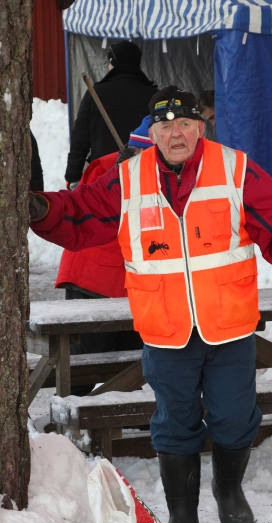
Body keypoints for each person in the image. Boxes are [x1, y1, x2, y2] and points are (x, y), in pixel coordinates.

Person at [29, 86, 272, 523]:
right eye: (165, 126)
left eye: (185, 123)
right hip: (165, 329)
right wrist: (44, 210)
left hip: (228, 326)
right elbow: (83, 210)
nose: (176, 133)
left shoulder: (234, 168)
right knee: (174, 421)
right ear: (153, 133)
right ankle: (182, 513)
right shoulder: (128, 178)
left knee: (233, 416)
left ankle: (228, 489)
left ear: (200, 127)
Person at [56, 116, 153, 395]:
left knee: (129, 368)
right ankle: (67, 427)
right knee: (85, 367)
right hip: (94, 279)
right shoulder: (107, 168)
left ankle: (119, 425)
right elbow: (85, 206)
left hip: (132, 284)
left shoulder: (167, 175)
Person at [65, 40, 157, 187]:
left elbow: (79, 142)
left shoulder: (95, 94)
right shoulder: (154, 96)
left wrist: (72, 177)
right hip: (143, 177)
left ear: (113, 63)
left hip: (102, 179)